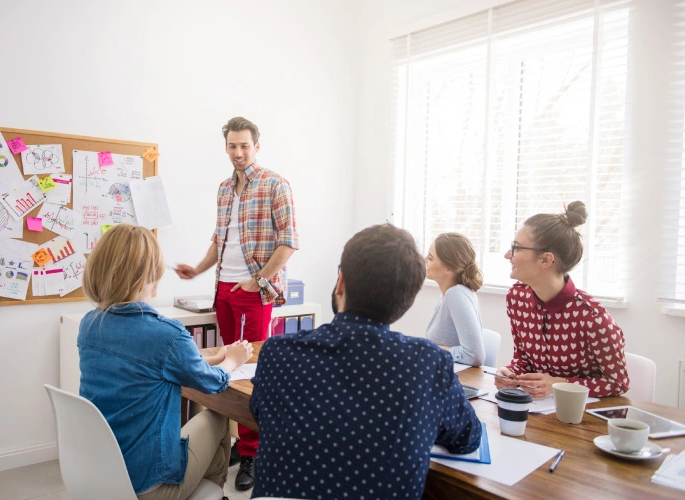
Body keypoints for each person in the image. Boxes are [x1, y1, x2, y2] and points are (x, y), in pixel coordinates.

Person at [249, 224, 482, 499]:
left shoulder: (278, 353)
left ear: (341, 282)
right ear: (407, 299)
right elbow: (467, 438)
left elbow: (260, 413)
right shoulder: (428, 364)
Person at [78, 223, 254, 499]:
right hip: (148, 485)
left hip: (103, 471)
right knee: (219, 416)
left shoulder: (90, 324)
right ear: (153, 275)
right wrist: (232, 359)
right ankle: (213, 493)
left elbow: (150, 365)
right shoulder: (166, 334)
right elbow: (213, 384)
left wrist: (215, 356)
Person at [175, 116, 298, 491]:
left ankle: (254, 453)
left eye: (245, 145)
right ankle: (235, 442)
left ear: (256, 146)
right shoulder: (224, 188)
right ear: (226, 147)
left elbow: (289, 241)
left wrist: (257, 280)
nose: (239, 152)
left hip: (254, 292)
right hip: (223, 289)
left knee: (252, 373)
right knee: (228, 368)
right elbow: (219, 239)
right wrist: (197, 269)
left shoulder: (275, 184)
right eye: (232, 146)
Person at [494, 201, 630, 398]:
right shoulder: (517, 298)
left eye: (516, 248)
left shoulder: (593, 318)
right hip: (536, 412)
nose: (508, 255)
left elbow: (618, 383)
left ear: (546, 260)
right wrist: (511, 373)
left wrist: (560, 384)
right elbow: (523, 358)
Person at [425, 232, 486, 366]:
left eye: (430, 258)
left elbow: (475, 355)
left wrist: (433, 349)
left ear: (448, 268)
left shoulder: (456, 294)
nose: (425, 260)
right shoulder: (450, 294)